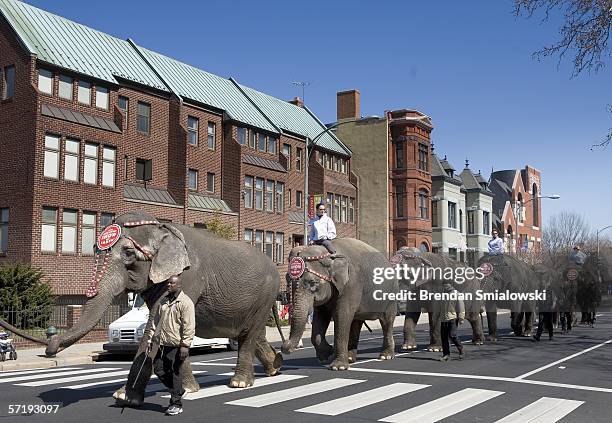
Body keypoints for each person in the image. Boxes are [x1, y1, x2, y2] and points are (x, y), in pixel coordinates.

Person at [146, 274, 196, 416]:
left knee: (175, 372)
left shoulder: (185, 303)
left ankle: (176, 404)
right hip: (163, 343)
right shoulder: (164, 302)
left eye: (171, 283)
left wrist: (185, 345)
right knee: (159, 369)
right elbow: (155, 323)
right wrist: (151, 339)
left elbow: (189, 325)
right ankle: (178, 390)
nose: (168, 285)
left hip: (177, 344)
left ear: (179, 285)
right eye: (168, 283)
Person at [439, 283, 465, 362]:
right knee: (444, 338)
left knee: (452, 335)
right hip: (443, 319)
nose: (444, 286)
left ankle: (461, 349)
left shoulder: (456, 293)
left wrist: (461, 317)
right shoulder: (442, 294)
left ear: (450, 285)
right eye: (443, 284)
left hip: (452, 318)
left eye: (446, 284)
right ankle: (446, 355)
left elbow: (461, 306)